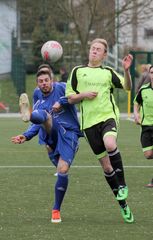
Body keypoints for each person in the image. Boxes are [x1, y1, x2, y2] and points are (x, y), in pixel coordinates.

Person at [66, 38, 134, 223]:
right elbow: (70, 98)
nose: (94, 51)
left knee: (110, 143)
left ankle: (123, 185)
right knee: (106, 166)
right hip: (88, 124)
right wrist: (83, 95)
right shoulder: (77, 72)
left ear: (104, 55)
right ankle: (123, 205)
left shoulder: (108, 73)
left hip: (107, 117)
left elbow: (127, 87)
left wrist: (127, 71)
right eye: (93, 48)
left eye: (99, 49)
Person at [12, 67, 83, 223]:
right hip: (49, 130)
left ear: (52, 80)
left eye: (46, 80)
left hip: (68, 132)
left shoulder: (63, 87)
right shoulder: (37, 94)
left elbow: (78, 96)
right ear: (37, 84)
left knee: (63, 170)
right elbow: (38, 125)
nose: (43, 84)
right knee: (44, 118)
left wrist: (61, 101)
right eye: (40, 82)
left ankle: (56, 209)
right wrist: (26, 135)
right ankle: (30, 115)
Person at [134, 65, 153, 187]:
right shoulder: (144, 89)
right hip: (146, 127)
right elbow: (136, 102)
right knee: (148, 154)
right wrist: (136, 114)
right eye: (152, 72)